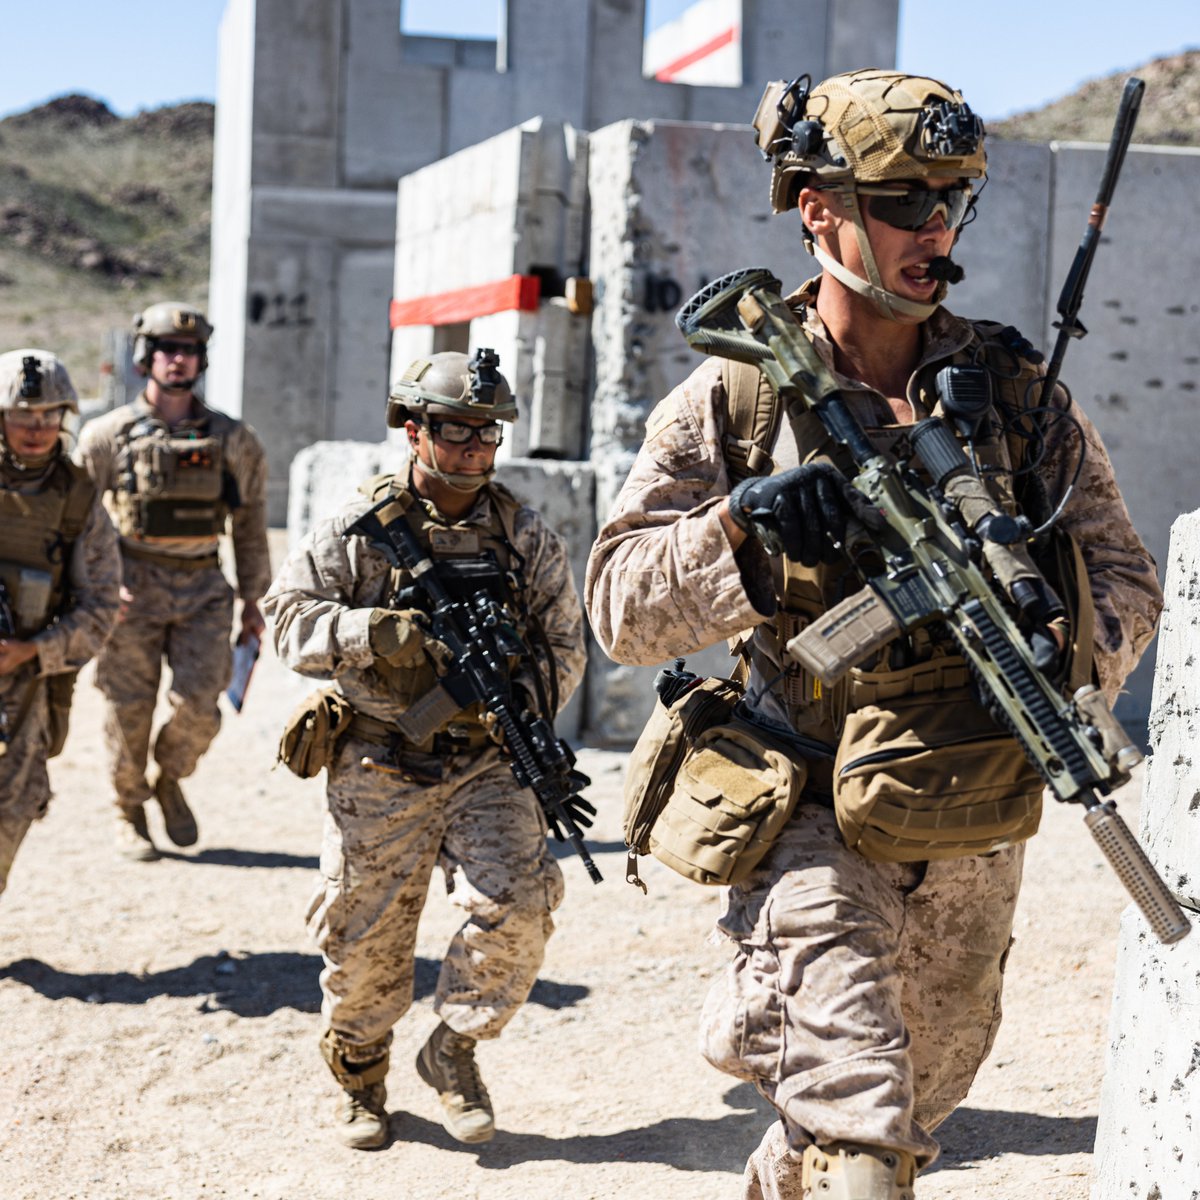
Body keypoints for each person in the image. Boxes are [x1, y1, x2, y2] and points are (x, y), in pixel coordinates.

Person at [585, 69, 1163, 1198]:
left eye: (952, 200)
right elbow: (617, 606)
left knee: (913, 1097)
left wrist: (1067, 646)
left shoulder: (1011, 394)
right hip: (806, 809)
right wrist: (741, 535)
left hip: (972, 807)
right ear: (818, 208)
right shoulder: (736, 400)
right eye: (905, 201)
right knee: (861, 1130)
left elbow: (1127, 576)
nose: (934, 228)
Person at [263, 348, 588, 1151]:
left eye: (489, 434)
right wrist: (362, 630)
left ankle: (454, 1051)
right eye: (456, 431)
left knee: (519, 906)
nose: (476, 449)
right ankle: (362, 1076)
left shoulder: (520, 532)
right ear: (413, 429)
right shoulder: (360, 528)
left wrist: (519, 710)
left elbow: (565, 644)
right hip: (381, 759)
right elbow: (284, 616)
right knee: (365, 941)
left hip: (486, 758)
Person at [76, 302, 269, 862]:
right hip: (130, 588)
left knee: (200, 706)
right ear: (145, 357)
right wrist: (101, 584)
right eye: (166, 350)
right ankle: (128, 808)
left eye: (187, 351)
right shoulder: (106, 436)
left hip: (203, 586)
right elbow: (80, 522)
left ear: (200, 360)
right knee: (127, 707)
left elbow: (251, 521)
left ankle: (169, 776)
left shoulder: (235, 439)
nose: (177, 360)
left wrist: (254, 599)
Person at [0, 349, 120, 899]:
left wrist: (34, 651)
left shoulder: (78, 500)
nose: (37, 429)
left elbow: (99, 609)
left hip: (25, 685)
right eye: (24, 415)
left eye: (50, 416)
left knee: (14, 806)